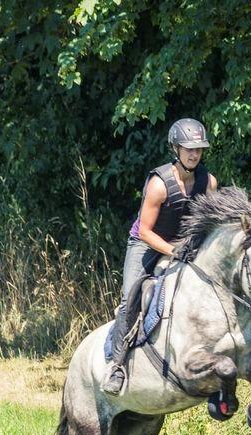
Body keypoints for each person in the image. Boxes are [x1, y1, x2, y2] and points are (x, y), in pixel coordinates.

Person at [102, 118, 218, 395]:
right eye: (188, 149)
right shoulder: (159, 184)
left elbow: (209, 223)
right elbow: (144, 230)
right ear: (175, 149)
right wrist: (173, 251)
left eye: (199, 149)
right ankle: (116, 366)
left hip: (183, 243)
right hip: (147, 243)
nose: (194, 154)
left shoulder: (209, 182)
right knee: (130, 297)